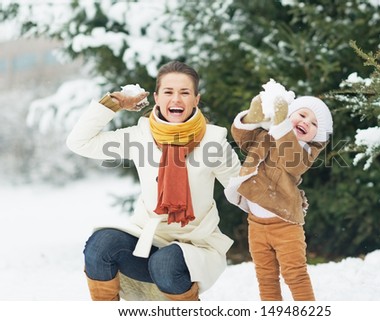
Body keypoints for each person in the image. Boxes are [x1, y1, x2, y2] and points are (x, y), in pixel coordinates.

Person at [66, 61, 241, 301]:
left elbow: (242, 190)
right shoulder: (141, 136)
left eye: (184, 92)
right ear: (157, 97)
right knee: (100, 245)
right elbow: (80, 142)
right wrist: (114, 103)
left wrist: (281, 201)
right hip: (147, 239)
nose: (176, 99)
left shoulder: (213, 142)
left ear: (196, 100)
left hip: (194, 245)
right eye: (168, 92)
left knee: (165, 263)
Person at [224, 93, 333, 300]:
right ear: (289, 114)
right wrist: (251, 118)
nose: (305, 122)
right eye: (301, 114)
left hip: (285, 226)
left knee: (295, 275)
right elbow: (242, 138)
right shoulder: (267, 136)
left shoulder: (304, 151)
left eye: (313, 124)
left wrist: (283, 124)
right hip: (256, 225)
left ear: (316, 138)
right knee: (266, 277)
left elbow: (292, 161)